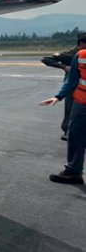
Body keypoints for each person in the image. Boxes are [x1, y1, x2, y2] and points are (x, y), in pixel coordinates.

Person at [39, 35, 86, 184]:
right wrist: (58, 97)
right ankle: (73, 171)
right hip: (80, 100)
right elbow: (72, 79)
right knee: (74, 134)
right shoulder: (78, 55)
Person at [41, 34, 84, 141]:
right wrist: (64, 67)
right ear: (81, 43)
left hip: (83, 86)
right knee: (71, 109)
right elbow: (46, 59)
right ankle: (67, 131)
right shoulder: (69, 54)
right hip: (72, 87)